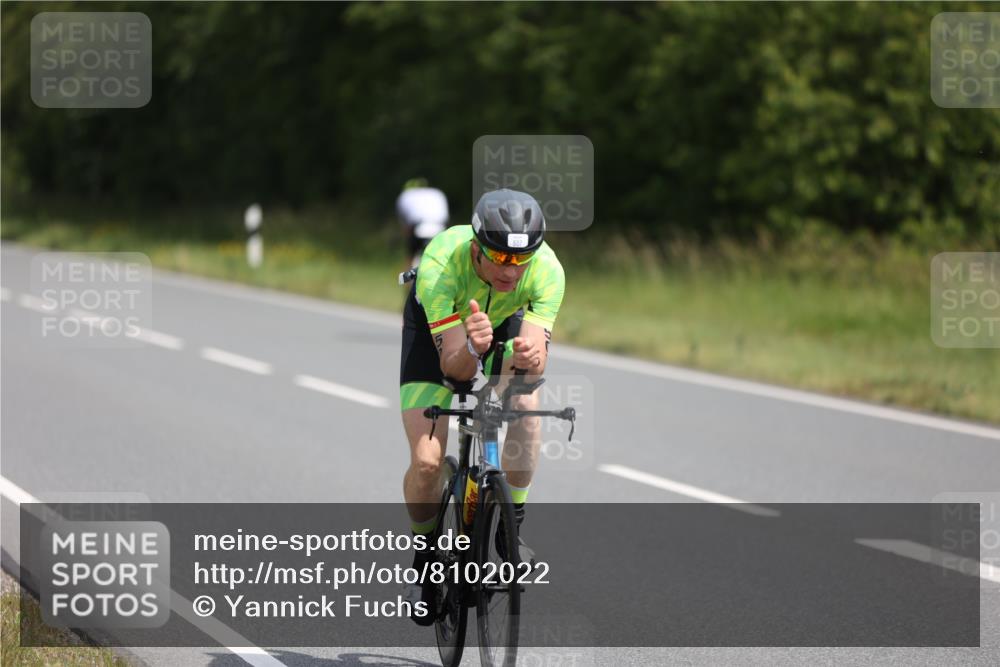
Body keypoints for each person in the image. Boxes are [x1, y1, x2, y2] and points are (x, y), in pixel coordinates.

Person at [399, 189, 565, 625]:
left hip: (504, 325)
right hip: (445, 330)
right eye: (501, 259)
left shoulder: (546, 270)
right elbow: (454, 370)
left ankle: (513, 529)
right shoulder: (440, 266)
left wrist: (528, 359)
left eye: (522, 260)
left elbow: (534, 355)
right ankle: (426, 554)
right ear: (477, 248)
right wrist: (472, 346)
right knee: (428, 461)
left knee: (526, 398)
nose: (513, 270)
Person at [396, 178, 449, 268]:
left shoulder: (405, 195)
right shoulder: (437, 193)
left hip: (418, 227)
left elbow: (404, 224)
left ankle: (408, 279)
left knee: (411, 256)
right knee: (443, 258)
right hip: (440, 227)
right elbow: (445, 217)